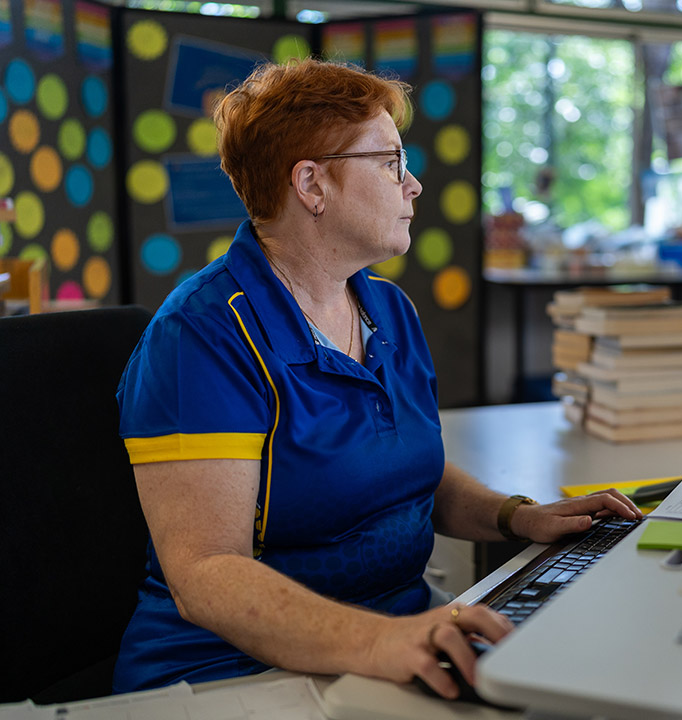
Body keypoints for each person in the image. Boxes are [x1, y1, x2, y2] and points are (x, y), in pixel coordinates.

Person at [112, 58, 642, 699]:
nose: (413, 184)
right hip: (231, 674)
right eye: (390, 162)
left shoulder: (388, 310)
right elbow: (205, 572)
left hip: (394, 640)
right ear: (312, 184)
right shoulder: (200, 336)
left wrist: (519, 518)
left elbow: (411, 474)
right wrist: (384, 643)